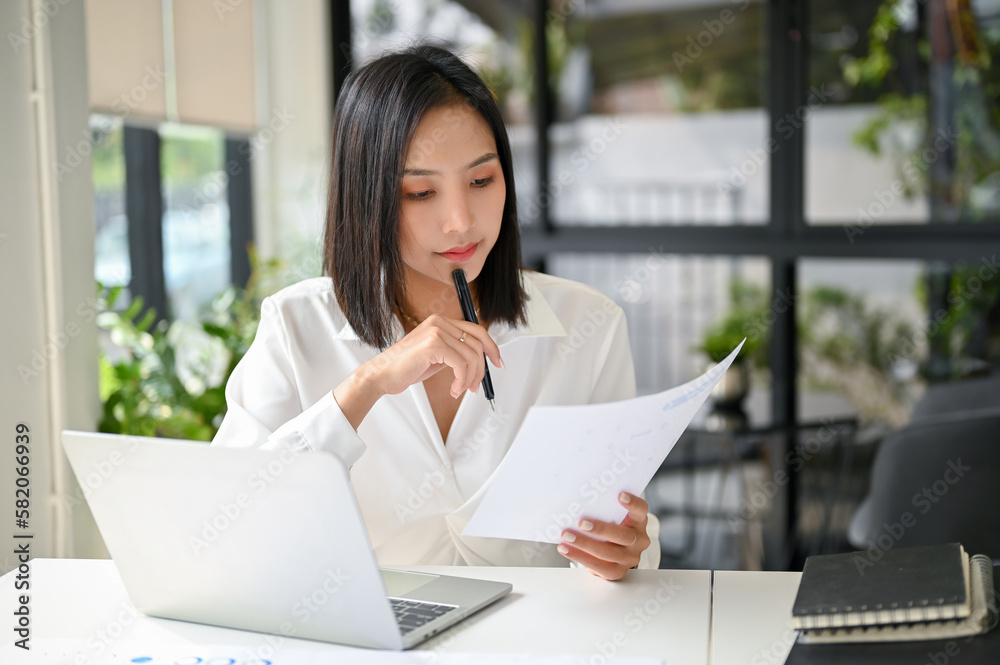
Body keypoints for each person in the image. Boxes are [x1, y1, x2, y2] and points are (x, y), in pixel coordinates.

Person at [212, 44, 660, 579]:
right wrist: (366, 385)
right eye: (421, 192)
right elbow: (228, 528)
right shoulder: (295, 327)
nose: (460, 221)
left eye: (481, 181)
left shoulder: (589, 326)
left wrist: (623, 555)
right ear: (367, 198)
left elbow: (627, 535)